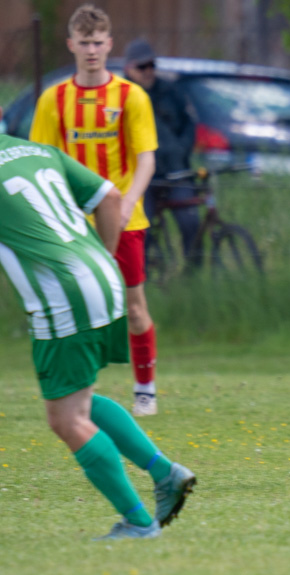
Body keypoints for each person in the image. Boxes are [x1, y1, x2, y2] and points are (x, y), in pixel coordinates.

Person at [0, 108, 195, 539]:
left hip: (62, 293)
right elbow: (109, 198)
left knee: (66, 419)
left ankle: (140, 522)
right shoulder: (37, 150)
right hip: (104, 275)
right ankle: (165, 474)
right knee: (80, 402)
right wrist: (104, 256)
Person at [30, 4, 161, 416]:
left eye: (98, 42)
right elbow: (41, 159)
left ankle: (146, 389)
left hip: (126, 221)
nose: (91, 50)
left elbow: (146, 160)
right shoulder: (54, 100)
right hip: (70, 223)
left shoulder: (130, 96)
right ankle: (79, 390)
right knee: (73, 308)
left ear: (110, 45)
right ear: (71, 45)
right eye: (83, 42)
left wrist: (126, 204)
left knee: (134, 307)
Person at [123, 38, 200, 268]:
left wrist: (181, 151)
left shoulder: (171, 91)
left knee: (190, 221)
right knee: (139, 226)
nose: (148, 72)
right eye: (141, 67)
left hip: (176, 171)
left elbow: (189, 125)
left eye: (151, 66)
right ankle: (140, 277)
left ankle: (193, 276)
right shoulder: (122, 96)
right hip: (140, 177)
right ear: (128, 68)